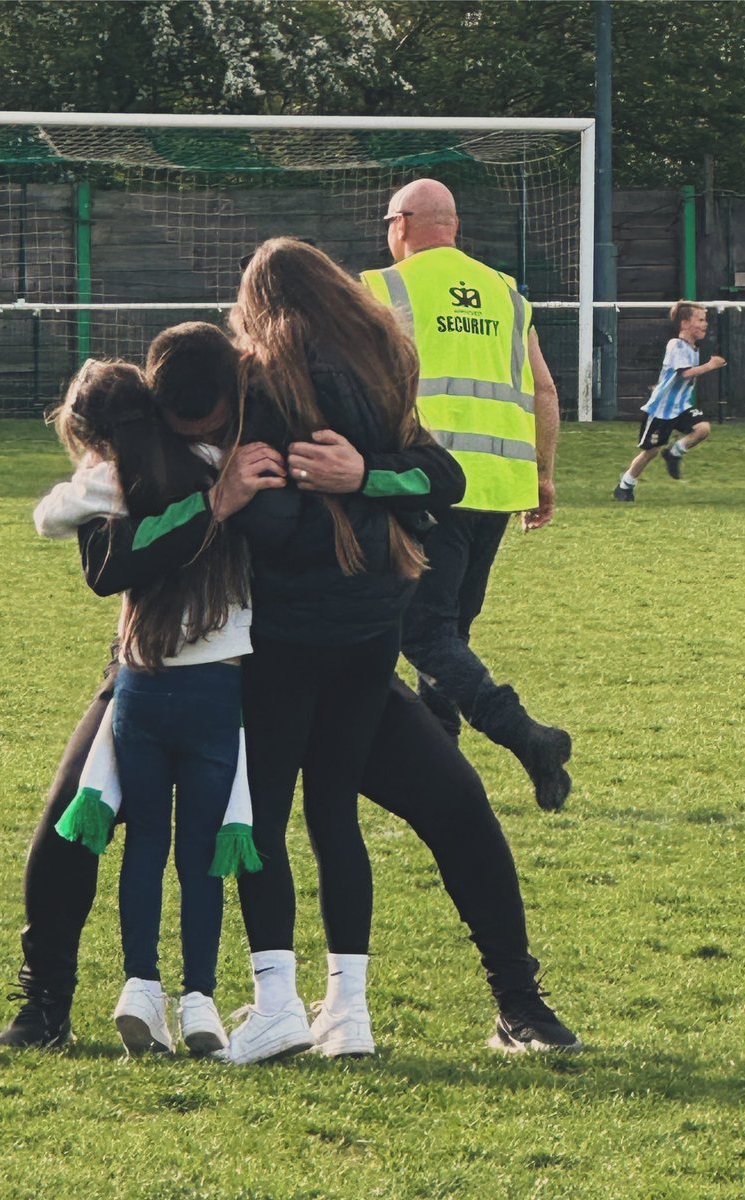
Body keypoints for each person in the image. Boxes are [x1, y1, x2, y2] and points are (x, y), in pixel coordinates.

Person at [0, 318, 579, 1060]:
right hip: (179, 666)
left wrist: (362, 472)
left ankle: (520, 1005)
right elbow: (106, 563)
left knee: (455, 801)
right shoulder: (139, 444)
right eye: (189, 426)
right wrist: (216, 499)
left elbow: (437, 474)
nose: (207, 434)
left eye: (216, 422)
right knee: (73, 818)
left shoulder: (292, 408)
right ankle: (43, 1006)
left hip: (312, 661)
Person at [219, 237, 462, 1064]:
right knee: (334, 814)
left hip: (283, 631)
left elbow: (273, 522)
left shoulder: (260, 379)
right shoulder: (384, 359)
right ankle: (348, 1011)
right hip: (373, 622)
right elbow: (443, 478)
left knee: (260, 816)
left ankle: (276, 1003)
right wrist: (369, 479)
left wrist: (245, 498)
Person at [27, 348, 261, 1058]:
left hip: (141, 677)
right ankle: (203, 1001)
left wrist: (91, 477)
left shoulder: (114, 479)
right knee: (205, 853)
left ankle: (128, 990)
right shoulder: (225, 461)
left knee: (139, 844)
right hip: (222, 680)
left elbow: (49, 518)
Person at [358, 178, 573, 813]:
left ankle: (528, 738)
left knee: (423, 633)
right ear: (452, 226)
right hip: (499, 486)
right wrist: (543, 474)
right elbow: (544, 390)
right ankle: (441, 765)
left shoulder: (382, 289)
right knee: (450, 632)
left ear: (402, 223)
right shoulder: (506, 292)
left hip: (427, 484)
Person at [612, 301, 725, 501]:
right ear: (685, 324)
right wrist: (710, 365)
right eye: (700, 320)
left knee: (702, 429)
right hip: (661, 410)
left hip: (680, 407)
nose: (705, 324)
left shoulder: (693, 348)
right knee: (651, 451)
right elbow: (685, 373)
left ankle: (674, 452)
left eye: (705, 320)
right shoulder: (675, 345)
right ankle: (625, 485)